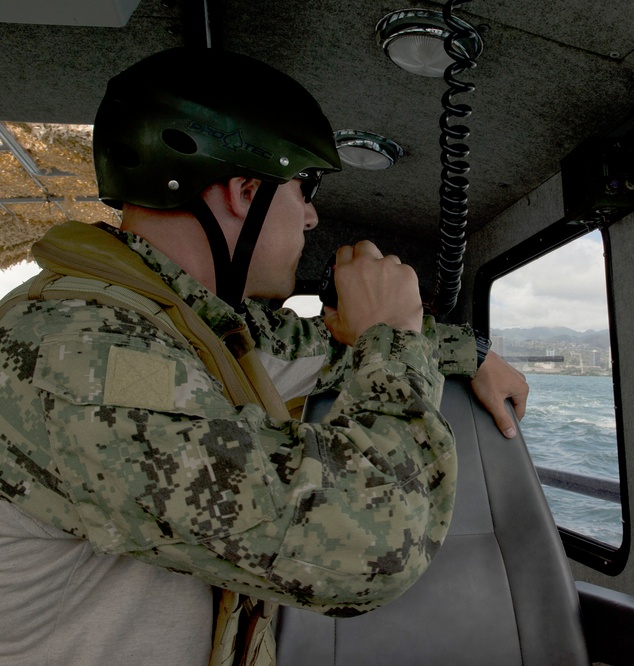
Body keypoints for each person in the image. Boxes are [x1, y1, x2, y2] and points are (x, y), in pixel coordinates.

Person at [0, 48, 527, 666]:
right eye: (304, 189)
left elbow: (319, 348)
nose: (311, 217)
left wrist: (469, 350)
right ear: (246, 191)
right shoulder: (73, 357)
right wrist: (393, 336)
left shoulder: (186, 324)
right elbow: (372, 547)